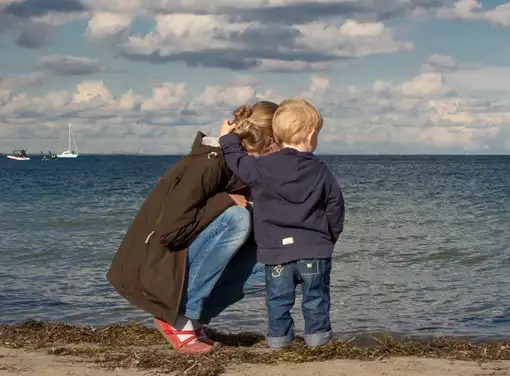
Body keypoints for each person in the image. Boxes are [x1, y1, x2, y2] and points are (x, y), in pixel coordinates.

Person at [107, 101, 279, 354]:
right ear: (269, 142)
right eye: (284, 142)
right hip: (157, 265)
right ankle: (177, 319)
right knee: (236, 219)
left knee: (275, 259)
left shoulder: (246, 170)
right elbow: (170, 231)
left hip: (181, 259)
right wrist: (225, 200)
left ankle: (193, 319)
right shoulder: (208, 164)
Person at [220, 98, 344, 349]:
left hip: (276, 252)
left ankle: (278, 341)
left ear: (276, 135)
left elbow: (237, 161)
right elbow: (335, 206)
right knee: (316, 299)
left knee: (278, 300)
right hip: (314, 250)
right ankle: (318, 339)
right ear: (310, 136)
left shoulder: (261, 167)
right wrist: (329, 237)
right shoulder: (320, 169)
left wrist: (228, 138)